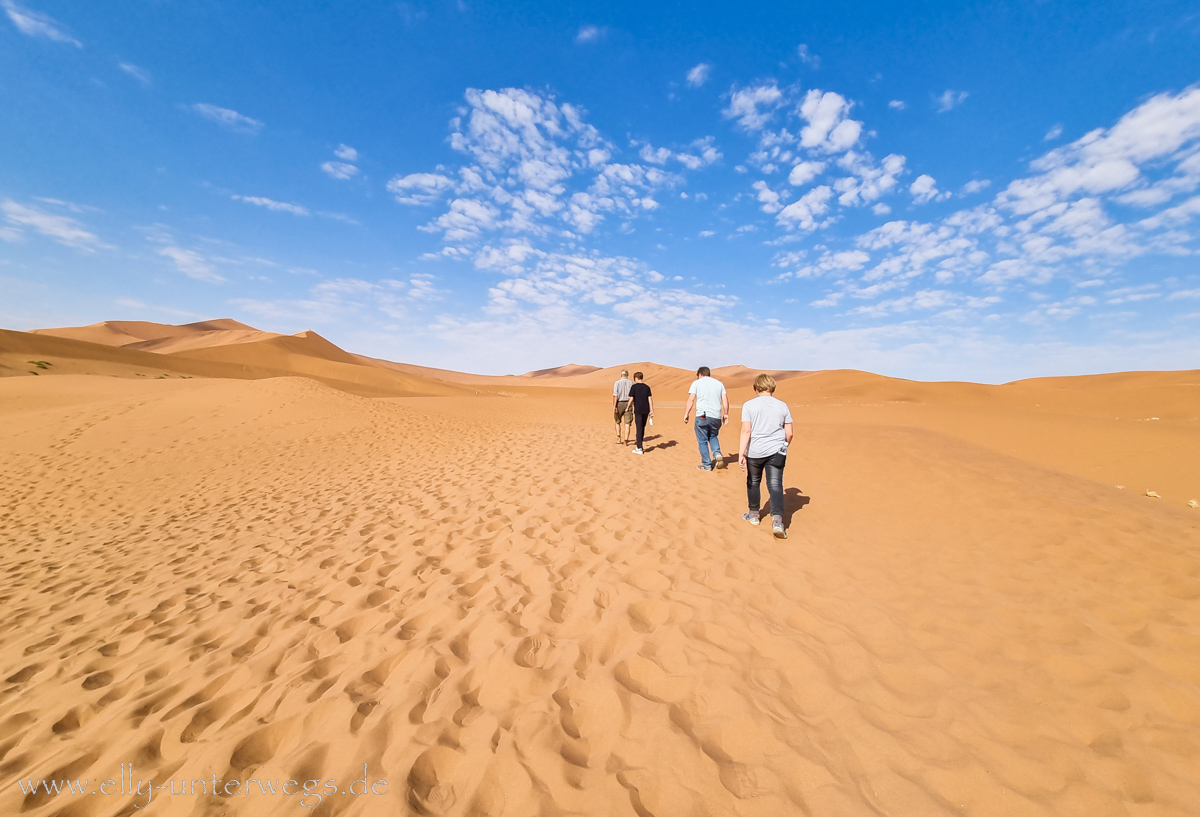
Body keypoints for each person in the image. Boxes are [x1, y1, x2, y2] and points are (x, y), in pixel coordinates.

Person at [738, 373, 793, 539]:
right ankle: (777, 521)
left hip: (755, 451)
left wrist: (741, 453)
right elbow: (789, 434)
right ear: (772, 387)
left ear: (756, 388)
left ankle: (754, 514)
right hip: (777, 451)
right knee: (775, 485)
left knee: (753, 482)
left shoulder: (749, 405)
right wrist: (783, 446)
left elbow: (746, 431)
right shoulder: (783, 406)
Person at [682, 366, 728, 471]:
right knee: (713, 436)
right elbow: (725, 399)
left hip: (703, 415)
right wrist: (726, 414)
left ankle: (707, 465)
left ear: (700, 374)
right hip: (716, 416)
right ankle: (717, 454)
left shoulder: (696, 383)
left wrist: (686, 413)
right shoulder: (719, 384)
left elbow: (691, 399)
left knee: (702, 440)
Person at [628, 372, 654, 454]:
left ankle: (639, 448)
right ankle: (639, 445)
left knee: (639, 428)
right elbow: (650, 399)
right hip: (646, 410)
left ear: (636, 378)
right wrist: (651, 410)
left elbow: (631, 398)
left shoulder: (634, 387)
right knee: (642, 427)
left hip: (638, 410)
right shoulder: (647, 387)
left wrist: (627, 407)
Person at [612, 369, 634, 445]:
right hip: (629, 403)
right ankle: (626, 440)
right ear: (627, 375)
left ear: (621, 375)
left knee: (617, 421)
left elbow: (615, 395)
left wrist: (614, 406)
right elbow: (633, 396)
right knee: (627, 423)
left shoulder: (617, 383)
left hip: (619, 404)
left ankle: (618, 438)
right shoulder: (632, 383)